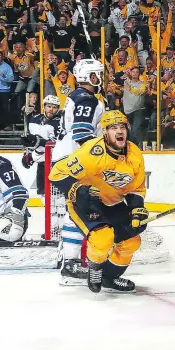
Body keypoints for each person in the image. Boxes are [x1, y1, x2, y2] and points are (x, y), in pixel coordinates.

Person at [48, 110, 147, 293]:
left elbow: (135, 188)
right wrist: (78, 191)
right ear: (105, 132)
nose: (119, 131)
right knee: (103, 238)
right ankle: (95, 270)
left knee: (132, 241)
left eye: (122, 127)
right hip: (86, 203)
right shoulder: (90, 153)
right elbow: (56, 174)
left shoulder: (135, 155)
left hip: (113, 203)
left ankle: (109, 278)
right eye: (113, 128)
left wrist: (136, 210)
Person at [51, 58, 106, 285]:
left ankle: (69, 259)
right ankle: (70, 263)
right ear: (91, 76)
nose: (102, 77)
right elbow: (82, 135)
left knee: (77, 208)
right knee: (80, 208)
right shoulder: (85, 98)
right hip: (75, 160)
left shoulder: (80, 97)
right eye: (99, 74)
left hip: (69, 159)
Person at [20, 95, 64, 196]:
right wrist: (27, 153)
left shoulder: (59, 123)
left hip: (54, 163)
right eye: (49, 106)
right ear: (44, 106)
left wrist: (38, 142)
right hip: (41, 163)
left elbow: (55, 145)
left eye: (54, 107)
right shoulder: (34, 119)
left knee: (56, 195)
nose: (51, 109)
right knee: (42, 194)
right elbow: (29, 140)